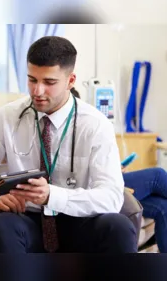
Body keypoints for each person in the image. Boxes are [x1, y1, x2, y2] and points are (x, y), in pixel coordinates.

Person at [0, 36, 137, 253]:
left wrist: (53, 196)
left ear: (71, 81)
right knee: (2, 224)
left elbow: (111, 197)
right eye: (32, 80)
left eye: (49, 83)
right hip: (29, 220)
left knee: (118, 227)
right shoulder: (8, 117)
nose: (37, 91)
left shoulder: (96, 125)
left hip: (78, 219)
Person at [71, 86, 167, 253]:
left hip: (100, 180)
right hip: (93, 189)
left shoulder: (86, 128)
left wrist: (112, 167)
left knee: (162, 206)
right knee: (157, 175)